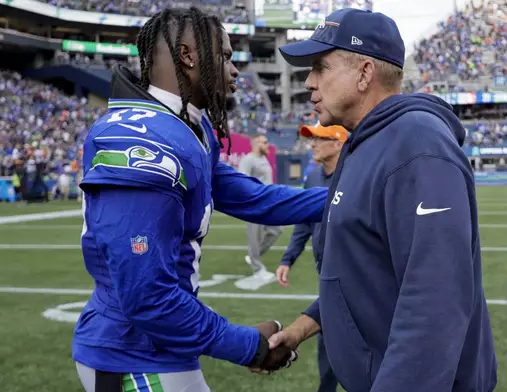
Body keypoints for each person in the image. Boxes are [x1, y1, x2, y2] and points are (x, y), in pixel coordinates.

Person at [73, 8, 328, 392]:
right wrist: (248, 346)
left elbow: (255, 198)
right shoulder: (142, 139)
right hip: (133, 353)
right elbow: (148, 299)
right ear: (189, 55)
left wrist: (346, 196)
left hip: (163, 348)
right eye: (225, 56)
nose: (234, 69)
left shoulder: (189, 127)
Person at [255, 8, 497, 392]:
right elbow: (364, 273)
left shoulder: (417, 144)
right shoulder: (367, 143)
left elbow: (434, 304)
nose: (309, 82)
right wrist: (302, 328)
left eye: (321, 67)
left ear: (365, 73)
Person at [276, 122, 347, 392]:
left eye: (320, 138)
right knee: (326, 341)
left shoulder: (355, 175)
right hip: (325, 272)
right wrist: (287, 259)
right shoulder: (313, 177)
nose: (312, 144)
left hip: (356, 275)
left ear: (338, 143)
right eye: (312, 138)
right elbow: (303, 223)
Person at [235, 134, 282, 290]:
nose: (267, 144)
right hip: (255, 204)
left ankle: (253, 257)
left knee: (275, 231)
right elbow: (242, 181)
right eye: (264, 142)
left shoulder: (264, 158)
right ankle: (258, 269)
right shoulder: (248, 160)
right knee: (254, 237)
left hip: (269, 203)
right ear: (256, 143)